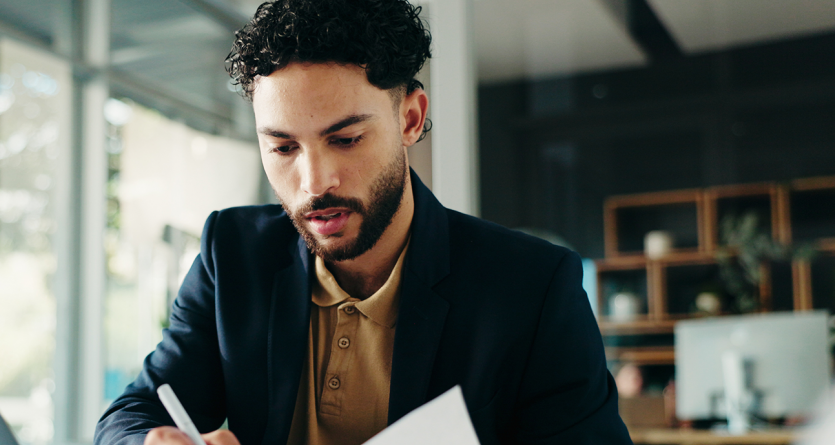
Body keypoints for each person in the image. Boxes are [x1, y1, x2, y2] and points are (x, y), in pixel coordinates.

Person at [95, 0, 632, 444]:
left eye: (345, 139)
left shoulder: (532, 287)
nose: (313, 182)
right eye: (283, 147)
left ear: (411, 119)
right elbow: (131, 412)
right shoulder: (231, 254)